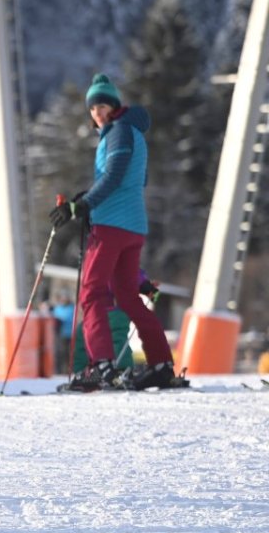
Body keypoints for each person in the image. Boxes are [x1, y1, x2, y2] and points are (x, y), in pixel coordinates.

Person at [50, 74, 179, 391]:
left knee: (91, 292)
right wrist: (87, 197)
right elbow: (135, 180)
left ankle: (101, 365)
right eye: (92, 107)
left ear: (116, 106)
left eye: (103, 105)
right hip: (134, 225)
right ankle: (161, 363)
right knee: (126, 297)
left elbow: (114, 175)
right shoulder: (131, 133)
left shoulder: (119, 132)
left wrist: (83, 206)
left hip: (111, 226)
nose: (97, 112)